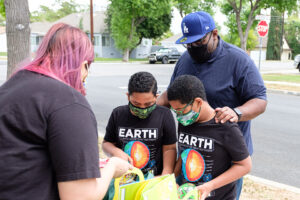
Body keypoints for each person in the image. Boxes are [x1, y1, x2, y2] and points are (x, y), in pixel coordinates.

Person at [0, 23, 132, 200]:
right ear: (84, 65)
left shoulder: (10, 88)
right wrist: (113, 167)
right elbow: (80, 196)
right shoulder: (70, 103)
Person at [157, 11, 267, 199]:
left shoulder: (238, 60)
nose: (192, 47)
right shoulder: (185, 60)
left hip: (226, 155)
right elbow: (172, 93)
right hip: (191, 149)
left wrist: (237, 113)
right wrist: (149, 109)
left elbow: (260, 99)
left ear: (214, 34)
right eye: (188, 43)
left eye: (198, 42)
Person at [168, 75, 252, 200]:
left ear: (198, 102)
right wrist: (171, 178)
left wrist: (210, 186)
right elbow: (185, 153)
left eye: (181, 110)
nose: (179, 116)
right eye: (176, 112)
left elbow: (245, 165)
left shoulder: (225, 126)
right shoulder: (186, 122)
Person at [102, 72, 177, 176]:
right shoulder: (118, 114)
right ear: (128, 97)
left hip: (154, 177)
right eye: (136, 103)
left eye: (148, 104)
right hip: (124, 177)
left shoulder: (164, 114)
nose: (142, 108)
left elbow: (170, 148)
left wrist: (166, 172)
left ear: (156, 97)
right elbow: (106, 143)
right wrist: (115, 151)